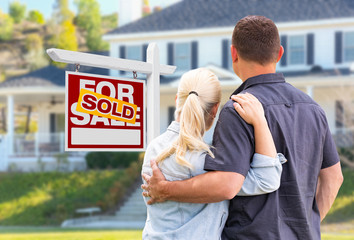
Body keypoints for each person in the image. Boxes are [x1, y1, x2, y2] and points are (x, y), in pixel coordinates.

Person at [142, 15, 343, 239]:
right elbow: (334, 178)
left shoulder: (237, 109)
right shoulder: (314, 109)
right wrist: (305, 226)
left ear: (233, 54)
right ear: (279, 54)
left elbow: (226, 183)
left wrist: (166, 190)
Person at [141, 68, 286, 239]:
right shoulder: (207, 160)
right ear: (215, 109)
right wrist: (260, 121)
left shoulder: (154, 148)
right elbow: (266, 179)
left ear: (177, 100)